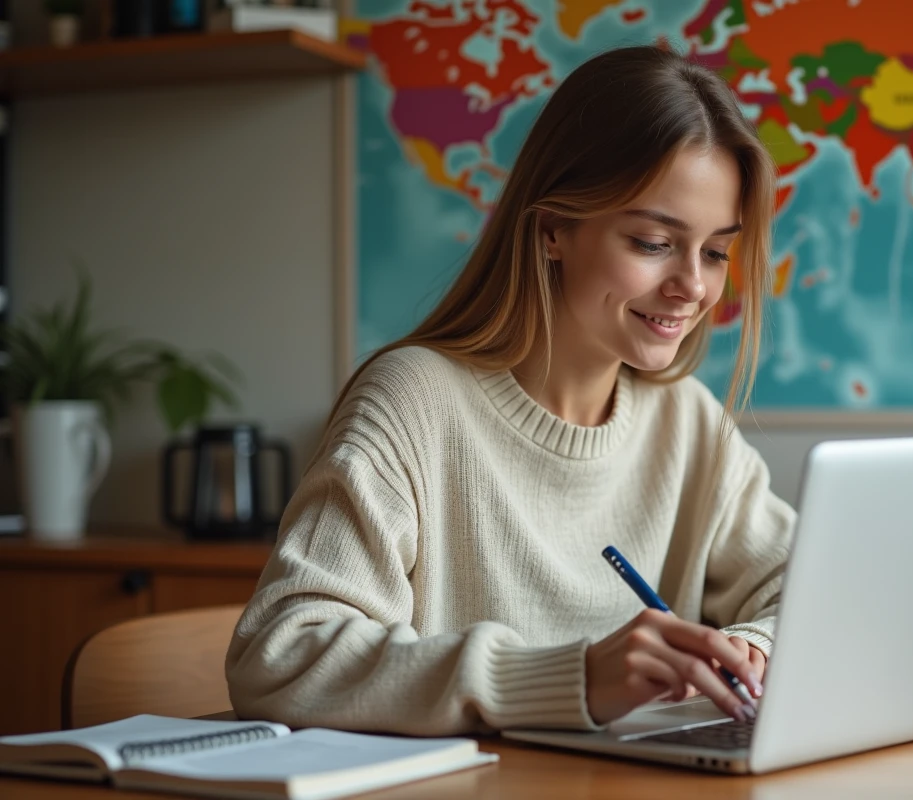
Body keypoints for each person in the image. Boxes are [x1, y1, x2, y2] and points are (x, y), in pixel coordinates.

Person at [226, 44, 796, 737]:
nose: (694, 286)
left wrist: (753, 650)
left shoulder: (687, 422)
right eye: (653, 242)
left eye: (714, 251)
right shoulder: (413, 402)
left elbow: (812, 583)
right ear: (555, 229)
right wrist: (572, 679)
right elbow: (279, 655)